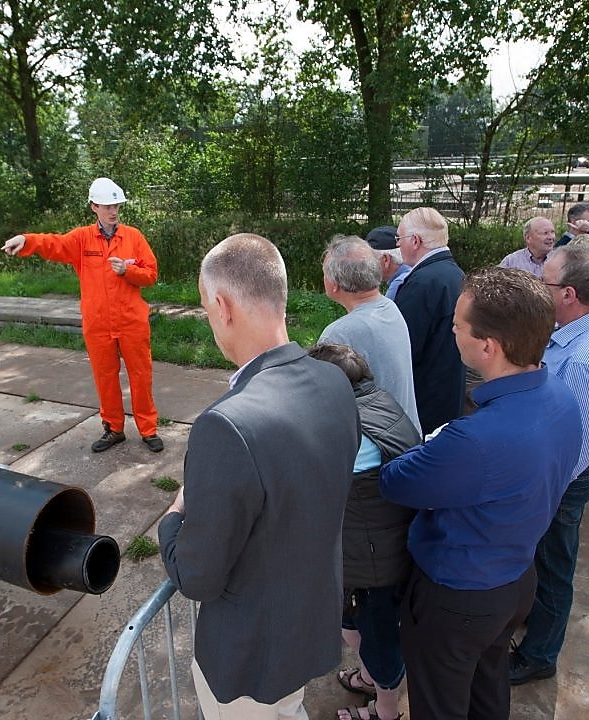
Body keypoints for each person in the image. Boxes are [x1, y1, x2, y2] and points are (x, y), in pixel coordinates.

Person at [159, 233, 360, 720]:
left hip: (250, 655)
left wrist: (174, 514)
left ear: (223, 306)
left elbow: (197, 576)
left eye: (207, 310)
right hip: (308, 622)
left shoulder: (226, 424)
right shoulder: (333, 379)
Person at [380, 267, 583, 720]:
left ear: (487, 346)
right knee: (488, 690)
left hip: (457, 596)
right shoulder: (562, 399)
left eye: (457, 325)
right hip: (514, 580)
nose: (452, 331)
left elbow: (397, 481)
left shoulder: (474, 439)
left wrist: (438, 443)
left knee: (438, 704)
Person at [510, 241, 589, 685]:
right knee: (547, 563)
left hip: (563, 480)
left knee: (554, 565)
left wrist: (533, 495)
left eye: (546, 282)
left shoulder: (583, 357)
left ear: (569, 293)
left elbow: (570, 447)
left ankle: (540, 654)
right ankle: (536, 621)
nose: (539, 287)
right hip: (570, 472)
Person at [1, 177, 164, 453]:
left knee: (141, 374)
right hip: (98, 322)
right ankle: (113, 429)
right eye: (107, 206)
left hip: (131, 321)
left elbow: (151, 274)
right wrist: (25, 240)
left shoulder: (134, 237)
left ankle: (148, 430)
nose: (113, 211)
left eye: (116, 205)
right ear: (93, 207)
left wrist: (128, 272)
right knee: (104, 376)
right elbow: (53, 244)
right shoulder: (81, 239)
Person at [308, 343, 421, 720]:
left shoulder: (343, 429)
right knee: (362, 626)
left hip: (370, 562)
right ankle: (372, 677)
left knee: (376, 637)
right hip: (387, 547)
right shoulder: (379, 402)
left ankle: (386, 709)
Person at [319, 234, 421, 433]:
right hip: (406, 436)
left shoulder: (339, 334)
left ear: (334, 284)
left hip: (378, 450)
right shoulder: (390, 307)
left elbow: (325, 405)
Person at [391, 207, 466, 434]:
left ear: (415, 241)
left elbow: (403, 347)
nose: (397, 245)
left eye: (399, 238)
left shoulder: (422, 283)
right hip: (449, 390)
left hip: (424, 398)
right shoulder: (454, 273)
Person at [365, 226, 412, 300]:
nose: (366, 266)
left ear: (385, 259)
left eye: (369, 260)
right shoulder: (416, 272)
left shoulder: (399, 285)